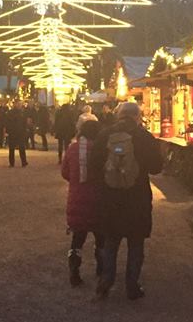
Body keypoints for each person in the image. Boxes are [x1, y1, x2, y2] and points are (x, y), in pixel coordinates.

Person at [88, 101, 163, 301]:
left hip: (110, 198)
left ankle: (106, 282)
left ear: (118, 115)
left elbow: (93, 166)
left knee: (111, 242)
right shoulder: (144, 137)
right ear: (137, 116)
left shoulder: (104, 135)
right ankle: (132, 285)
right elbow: (157, 167)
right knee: (136, 243)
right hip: (136, 198)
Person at [61, 119, 104, 287]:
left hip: (77, 198)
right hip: (99, 199)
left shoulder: (72, 149)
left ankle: (74, 270)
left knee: (77, 238)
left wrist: (76, 180)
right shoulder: (100, 149)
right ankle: (101, 268)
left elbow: (65, 172)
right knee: (101, 237)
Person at [5, 101, 28, 167]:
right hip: (15, 132)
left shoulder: (21, 112)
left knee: (18, 148)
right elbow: (8, 122)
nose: (19, 105)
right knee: (15, 148)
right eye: (18, 104)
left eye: (20, 104)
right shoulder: (16, 112)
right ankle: (21, 162)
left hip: (17, 132)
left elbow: (24, 123)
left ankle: (20, 162)